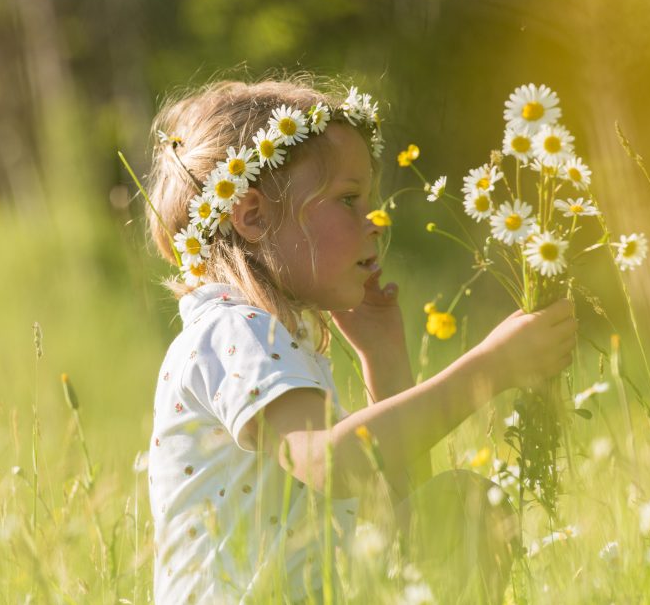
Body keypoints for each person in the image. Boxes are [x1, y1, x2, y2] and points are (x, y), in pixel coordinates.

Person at [143, 76, 577, 603]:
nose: (376, 219)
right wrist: (488, 370)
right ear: (253, 216)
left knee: (458, 507)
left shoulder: (267, 337)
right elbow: (331, 462)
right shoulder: (233, 330)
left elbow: (400, 502)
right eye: (348, 199)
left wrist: (384, 357)